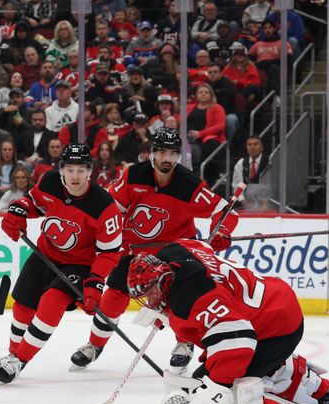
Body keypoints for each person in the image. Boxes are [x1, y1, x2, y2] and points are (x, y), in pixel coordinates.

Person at [126, 242, 329, 404]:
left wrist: (213, 395)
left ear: (164, 280)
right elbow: (202, 249)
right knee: (206, 376)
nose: (150, 298)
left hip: (274, 327)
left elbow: (238, 341)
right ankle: (322, 390)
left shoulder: (192, 295)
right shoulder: (178, 251)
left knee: (228, 383)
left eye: (151, 291)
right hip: (272, 304)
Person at [70, 128, 238, 374]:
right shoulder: (134, 176)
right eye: (161, 152)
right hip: (135, 250)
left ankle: (185, 343)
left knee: (184, 297)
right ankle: (94, 345)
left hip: (176, 253)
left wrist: (221, 231)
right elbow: (109, 210)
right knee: (113, 295)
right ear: (152, 153)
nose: (167, 158)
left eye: (173, 153)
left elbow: (226, 211)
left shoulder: (189, 184)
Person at [0, 143, 122, 385]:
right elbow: (34, 203)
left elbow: (109, 252)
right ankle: (12, 354)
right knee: (23, 306)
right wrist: (18, 211)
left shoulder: (104, 206)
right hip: (45, 254)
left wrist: (95, 282)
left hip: (79, 266)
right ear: (61, 170)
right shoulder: (49, 181)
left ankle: (19, 361)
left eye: (81, 170)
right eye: (70, 170)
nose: (75, 176)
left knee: (52, 302)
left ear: (90, 172)